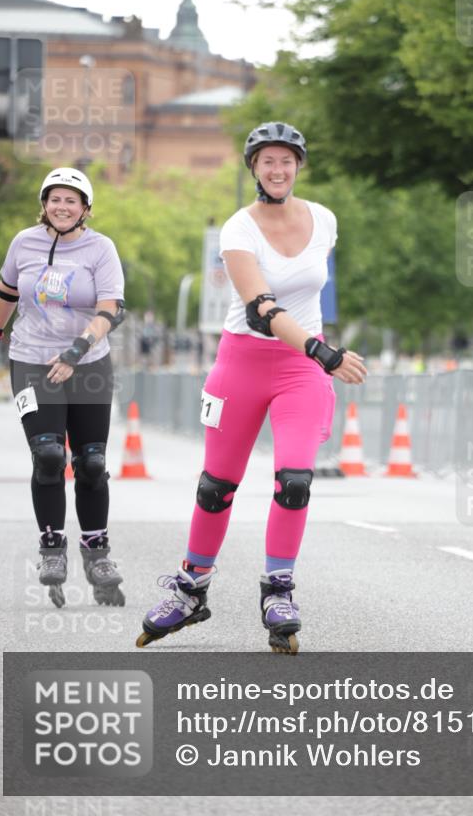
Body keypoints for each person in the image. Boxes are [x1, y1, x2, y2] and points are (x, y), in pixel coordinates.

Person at [137, 121, 366, 653]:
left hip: (300, 371)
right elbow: (261, 309)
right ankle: (191, 588)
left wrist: (314, 355)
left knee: (295, 480)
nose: (278, 169)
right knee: (216, 487)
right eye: (267, 161)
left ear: (298, 166)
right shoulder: (238, 228)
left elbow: (306, 292)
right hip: (244, 361)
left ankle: (278, 590)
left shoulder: (325, 220)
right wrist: (321, 350)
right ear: (254, 169)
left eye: (287, 160)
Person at [0, 167, 126, 609]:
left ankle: (97, 552)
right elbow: (7, 293)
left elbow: (112, 308)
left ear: (85, 208)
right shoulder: (23, 243)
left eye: (71, 200)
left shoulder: (100, 248)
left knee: (92, 462)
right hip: (29, 361)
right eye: (54, 199)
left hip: (88, 365)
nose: (61, 207)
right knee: (48, 454)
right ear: (43, 204)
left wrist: (75, 351)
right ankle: (51, 546)